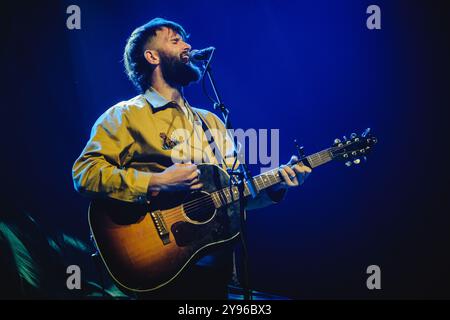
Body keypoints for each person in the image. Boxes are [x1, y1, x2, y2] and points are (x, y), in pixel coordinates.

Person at [72, 17, 311, 299]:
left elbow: (234, 195)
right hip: (159, 267)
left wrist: (275, 185)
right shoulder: (125, 115)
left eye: (185, 39)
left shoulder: (211, 122)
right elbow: (85, 173)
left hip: (218, 275)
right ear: (152, 57)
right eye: (175, 40)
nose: (187, 45)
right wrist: (155, 181)